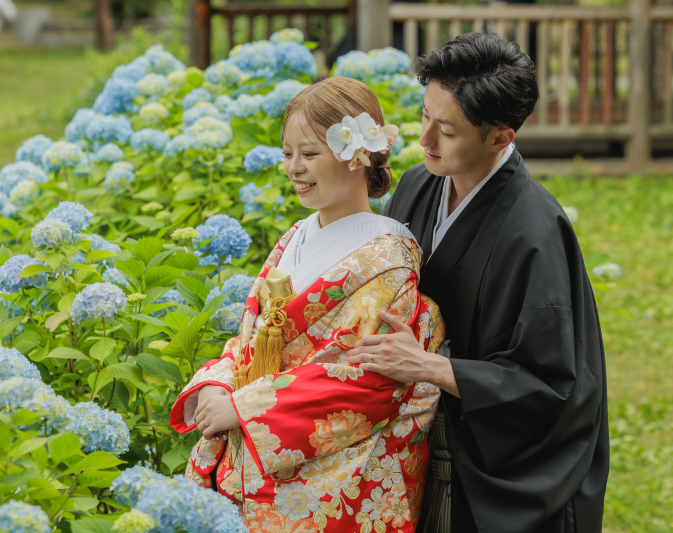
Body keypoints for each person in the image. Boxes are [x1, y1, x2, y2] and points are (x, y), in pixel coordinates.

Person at [347, 33, 609, 533]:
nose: (424, 140)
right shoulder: (417, 185)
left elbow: (552, 386)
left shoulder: (535, 233)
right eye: (425, 116)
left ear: (500, 138)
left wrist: (431, 366)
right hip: (418, 441)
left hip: (495, 465)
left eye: (444, 129)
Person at [170, 77, 445, 531]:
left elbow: (367, 379)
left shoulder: (389, 259)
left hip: (330, 468)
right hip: (263, 441)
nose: (294, 167)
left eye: (310, 154)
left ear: (357, 157)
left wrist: (247, 409)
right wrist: (219, 383)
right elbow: (253, 338)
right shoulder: (295, 237)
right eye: (287, 153)